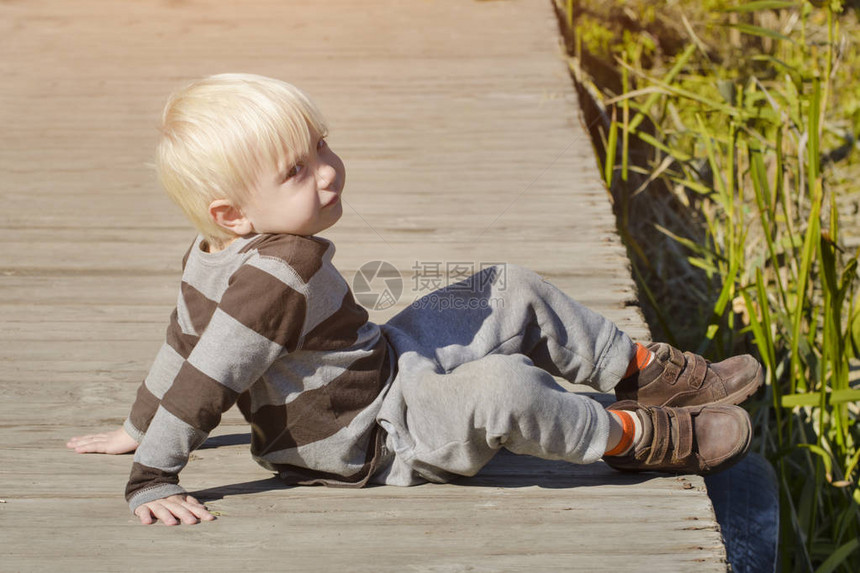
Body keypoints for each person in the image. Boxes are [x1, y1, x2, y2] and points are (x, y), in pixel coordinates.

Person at [66, 73, 763, 526]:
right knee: (502, 388)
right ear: (233, 215)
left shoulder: (207, 253)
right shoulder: (266, 285)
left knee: (505, 286)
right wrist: (152, 470)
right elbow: (205, 372)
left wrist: (136, 419)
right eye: (297, 169)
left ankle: (638, 371)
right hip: (373, 436)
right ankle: (629, 436)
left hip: (387, 366)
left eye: (322, 145)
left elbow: (179, 340)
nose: (328, 172)